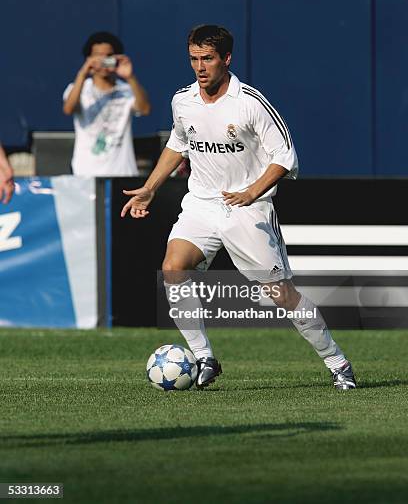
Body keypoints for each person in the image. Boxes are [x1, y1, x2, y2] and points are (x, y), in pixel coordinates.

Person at [121, 24, 357, 391]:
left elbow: (285, 157)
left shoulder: (250, 102)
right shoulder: (182, 100)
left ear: (226, 59)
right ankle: (204, 358)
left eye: (208, 59)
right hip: (201, 202)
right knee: (173, 268)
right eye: (194, 59)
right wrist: (150, 188)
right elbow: (177, 144)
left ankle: (337, 363)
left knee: (282, 295)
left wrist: (251, 192)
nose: (200, 67)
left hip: (248, 209)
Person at [63, 31, 150, 177]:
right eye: (98, 56)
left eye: (109, 56)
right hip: (85, 173)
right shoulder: (78, 88)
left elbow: (145, 109)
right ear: (88, 58)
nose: (103, 61)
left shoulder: (127, 89)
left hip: (122, 173)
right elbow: (68, 108)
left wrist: (130, 77)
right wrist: (83, 73)